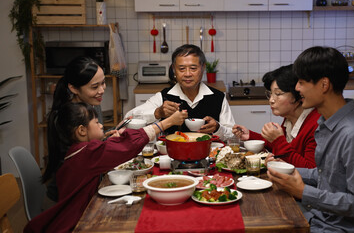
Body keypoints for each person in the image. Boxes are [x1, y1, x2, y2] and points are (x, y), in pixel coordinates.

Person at [266, 46, 354, 232]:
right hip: (321, 217)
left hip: (339, 228)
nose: (297, 88)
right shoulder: (328, 124)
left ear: (324, 85)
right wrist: (283, 170)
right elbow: (326, 175)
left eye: (302, 82)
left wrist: (303, 192)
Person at [24, 102, 187, 233]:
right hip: (76, 223)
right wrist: (167, 123)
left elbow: (101, 152)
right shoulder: (87, 153)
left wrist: (107, 143)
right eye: (96, 122)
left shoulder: (77, 151)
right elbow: (127, 146)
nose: (101, 125)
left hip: (77, 214)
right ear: (81, 130)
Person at [125, 44, 235, 140]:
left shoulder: (218, 97)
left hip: (209, 156)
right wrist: (158, 113)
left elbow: (233, 135)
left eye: (193, 68)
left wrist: (217, 128)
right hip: (171, 156)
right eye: (182, 69)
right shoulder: (163, 97)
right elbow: (128, 119)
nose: (187, 74)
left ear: (203, 68)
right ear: (174, 69)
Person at [43, 56, 114, 202]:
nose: (102, 90)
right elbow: (84, 157)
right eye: (95, 87)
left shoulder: (91, 104)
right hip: (67, 197)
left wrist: (107, 135)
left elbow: (91, 141)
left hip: (87, 185)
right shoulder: (67, 118)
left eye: (103, 83)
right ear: (73, 88)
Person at [232, 65, 320, 168]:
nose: (271, 100)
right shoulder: (289, 118)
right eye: (270, 94)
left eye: (278, 94)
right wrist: (251, 136)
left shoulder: (315, 124)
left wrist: (278, 140)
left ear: (297, 94)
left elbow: (310, 169)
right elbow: (281, 147)